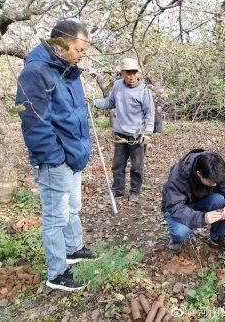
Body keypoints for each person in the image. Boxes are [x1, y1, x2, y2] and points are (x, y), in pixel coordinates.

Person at [15, 20, 97, 291]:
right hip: (55, 159)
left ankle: (74, 249)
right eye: (78, 48)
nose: (81, 54)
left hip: (72, 155)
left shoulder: (68, 70)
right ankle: (57, 273)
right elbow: (35, 123)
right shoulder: (36, 72)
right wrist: (56, 157)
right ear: (62, 44)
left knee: (73, 208)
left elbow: (68, 113)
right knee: (55, 216)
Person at [94, 58, 155, 202]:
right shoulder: (117, 86)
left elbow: (150, 113)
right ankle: (118, 190)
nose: (132, 76)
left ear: (138, 73)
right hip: (121, 133)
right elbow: (110, 102)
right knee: (117, 164)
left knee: (137, 166)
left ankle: (135, 191)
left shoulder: (144, 91)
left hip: (137, 135)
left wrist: (147, 133)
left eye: (134, 73)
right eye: (128, 73)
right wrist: (93, 102)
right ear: (122, 73)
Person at [161, 149, 225, 252]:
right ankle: (177, 240)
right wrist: (202, 218)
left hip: (201, 201)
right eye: (211, 182)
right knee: (181, 233)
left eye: (217, 182)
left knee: (220, 201)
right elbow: (175, 207)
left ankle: (218, 237)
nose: (215, 184)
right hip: (178, 208)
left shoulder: (217, 168)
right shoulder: (179, 175)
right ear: (199, 174)